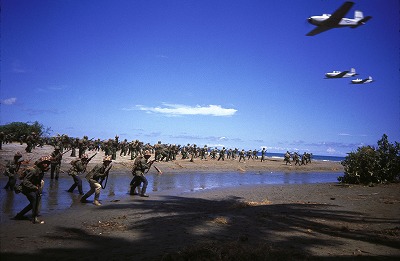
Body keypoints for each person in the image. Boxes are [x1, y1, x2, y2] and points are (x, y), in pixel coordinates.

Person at [14, 156, 51, 224]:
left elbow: (37, 181)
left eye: (48, 163)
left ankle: (19, 215)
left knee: (34, 202)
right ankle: (34, 218)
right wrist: (35, 187)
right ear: (40, 164)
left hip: (32, 187)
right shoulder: (33, 171)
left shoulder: (41, 171)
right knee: (34, 200)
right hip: (25, 188)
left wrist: (38, 188)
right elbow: (25, 182)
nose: (47, 165)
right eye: (45, 163)